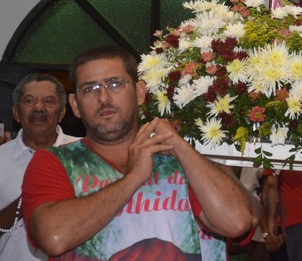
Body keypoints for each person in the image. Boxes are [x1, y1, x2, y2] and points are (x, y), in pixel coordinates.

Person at [21, 45, 261, 259]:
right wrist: (134, 178)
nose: (104, 98)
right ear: (75, 105)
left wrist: (179, 146)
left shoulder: (178, 160)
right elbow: (54, 238)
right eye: (90, 89)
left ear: (138, 92)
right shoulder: (56, 162)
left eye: (115, 84)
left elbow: (236, 222)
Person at [0, 74, 78, 260]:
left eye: (49, 101)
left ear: (61, 113)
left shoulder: (85, 153)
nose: (39, 107)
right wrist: (30, 199)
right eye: (29, 101)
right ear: (16, 113)